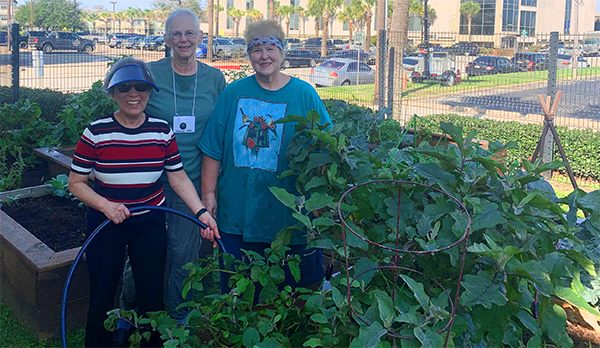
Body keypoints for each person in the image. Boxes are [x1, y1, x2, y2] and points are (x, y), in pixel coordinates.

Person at [68, 57, 219, 347]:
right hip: (106, 222)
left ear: (150, 92)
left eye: (140, 87)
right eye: (124, 88)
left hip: (149, 223)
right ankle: (99, 342)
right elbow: (76, 183)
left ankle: (151, 342)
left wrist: (201, 212)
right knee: (102, 290)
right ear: (113, 93)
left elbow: (178, 178)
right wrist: (106, 206)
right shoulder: (96, 132)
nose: (133, 94)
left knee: (151, 293)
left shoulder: (162, 131)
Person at [198, 19, 331, 295]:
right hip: (237, 218)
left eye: (271, 47)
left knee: (296, 299)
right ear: (249, 56)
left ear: (283, 51)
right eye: (256, 49)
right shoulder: (233, 94)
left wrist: (320, 198)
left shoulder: (304, 94)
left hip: (290, 218)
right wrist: (208, 197)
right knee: (238, 298)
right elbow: (213, 150)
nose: (264, 56)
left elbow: (325, 149)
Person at [118, 8, 227, 329]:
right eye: (176, 33)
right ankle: (128, 311)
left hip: (190, 183)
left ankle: (178, 320)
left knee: (185, 255)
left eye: (190, 33)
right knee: (139, 251)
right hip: (148, 181)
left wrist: (211, 189)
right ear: (165, 38)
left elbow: (218, 133)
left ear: (200, 38)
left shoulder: (214, 78)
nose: (184, 39)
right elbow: (127, 114)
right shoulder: (149, 74)